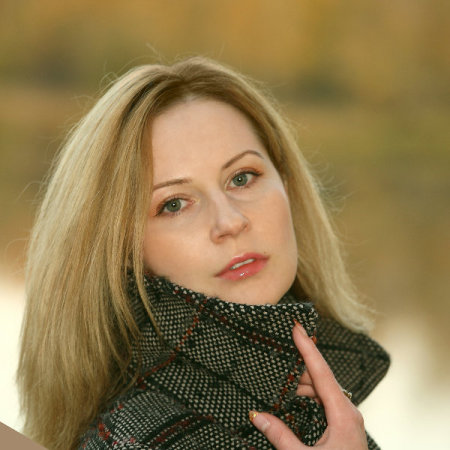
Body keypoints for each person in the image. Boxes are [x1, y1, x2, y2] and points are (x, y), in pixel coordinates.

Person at [17, 56, 390, 449]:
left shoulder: (303, 398)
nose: (230, 221)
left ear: (287, 183)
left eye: (242, 178)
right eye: (174, 204)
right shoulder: (146, 439)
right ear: (124, 251)